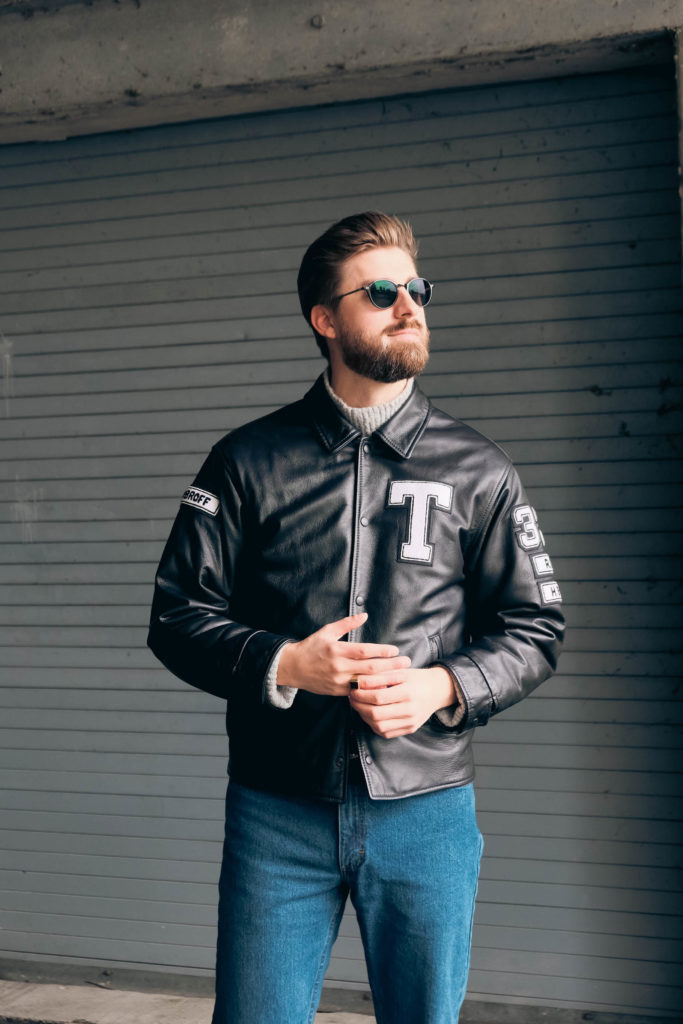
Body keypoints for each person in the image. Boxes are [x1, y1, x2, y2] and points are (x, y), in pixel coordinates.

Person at [148, 211, 564, 1024]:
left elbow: (535, 626)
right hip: (276, 813)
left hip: (428, 811)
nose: (408, 304)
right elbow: (176, 613)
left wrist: (444, 685)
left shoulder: (479, 468)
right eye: (381, 292)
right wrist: (281, 663)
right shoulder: (246, 461)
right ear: (325, 319)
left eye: (416, 288)